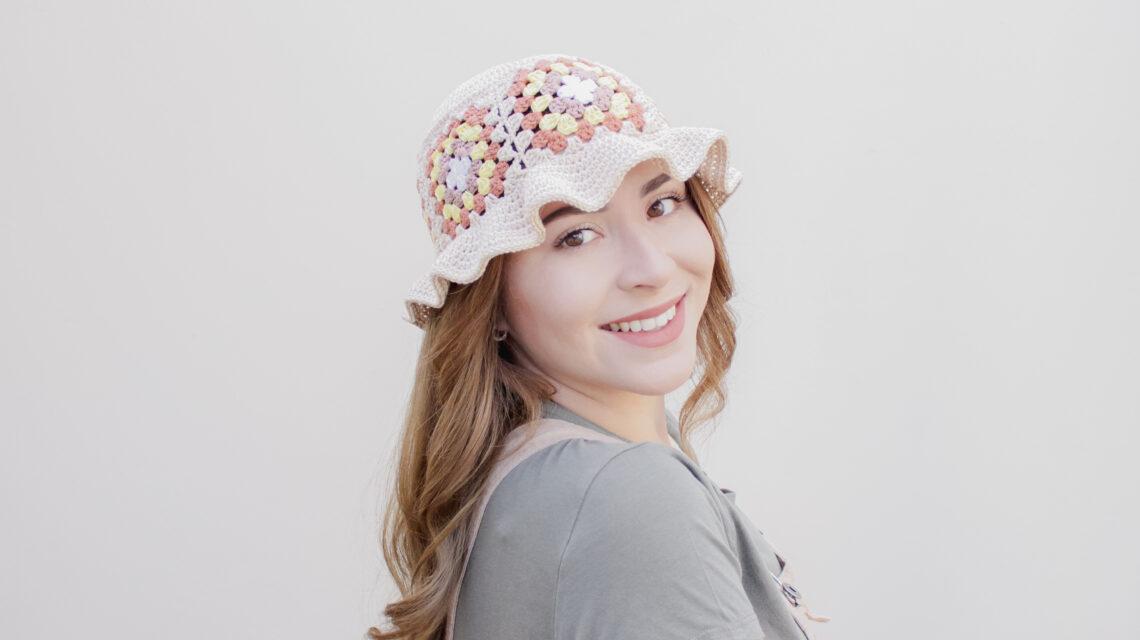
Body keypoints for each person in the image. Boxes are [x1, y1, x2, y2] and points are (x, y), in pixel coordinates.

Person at [368, 53, 829, 640]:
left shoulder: (529, 477)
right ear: (492, 304)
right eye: (576, 236)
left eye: (662, 204)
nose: (652, 269)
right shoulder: (630, 498)